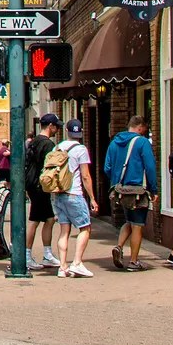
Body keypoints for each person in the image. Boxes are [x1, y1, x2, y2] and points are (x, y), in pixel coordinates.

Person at [43, 117, 97, 279]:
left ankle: (62, 266)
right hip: (74, 193)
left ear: (66, 131)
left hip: (58, 194)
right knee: (85, 228)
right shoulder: (81, 149)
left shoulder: (58, 147)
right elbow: (86, 176)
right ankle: (77, 263)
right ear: (80, 133)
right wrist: (92, 198)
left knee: (64, 231)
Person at [103, 114, 159, 271]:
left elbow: (107, 167)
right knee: (137, 226)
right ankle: (134, 262)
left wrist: (117, 181)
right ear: (140, 127)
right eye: (144, 129)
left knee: (128, 221)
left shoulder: (114, 143)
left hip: (120, 190)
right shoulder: (142, 142)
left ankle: (119, 246)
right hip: (138, 190)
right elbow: (150, 167)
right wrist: (153, 189)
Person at [26, 113, 60, 269]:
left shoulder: (34, 142)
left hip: (33, 184)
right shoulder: (47, 145)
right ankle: (26, 255)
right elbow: (49, 167)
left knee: (49, 219)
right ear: (50, 126)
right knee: (34, 220)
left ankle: (47, 254)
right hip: (40, 185)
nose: (57, 129)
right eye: (56, 126)